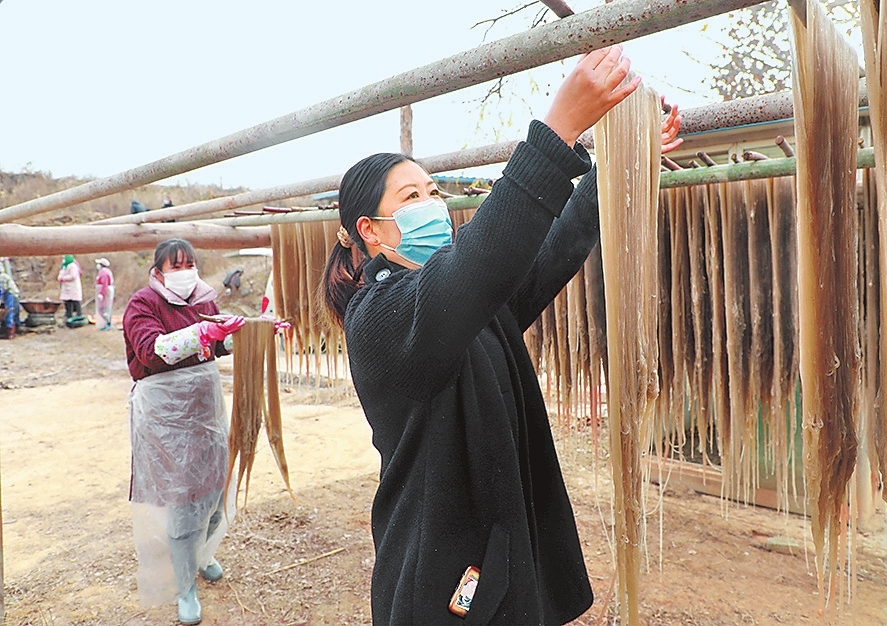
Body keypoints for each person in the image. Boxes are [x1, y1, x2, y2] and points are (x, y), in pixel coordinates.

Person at [321, 45, 680, 624]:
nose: (432, 204)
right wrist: (556, 132)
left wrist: (622, 161)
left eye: (434, 192)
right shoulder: (380, 318)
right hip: (441, 586)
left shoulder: (469, 304)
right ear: (370, 231)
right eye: (410, 197)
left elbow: (550, 248)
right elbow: (482, 259)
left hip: (494, 571)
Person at [122, 238, 245, 625]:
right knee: (182, 502)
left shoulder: (203, 302)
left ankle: (203, 555)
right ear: (157, 272)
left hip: (205, 411)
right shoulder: (143, 304)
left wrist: (251, 332)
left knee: (213, 490)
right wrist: (203, 334)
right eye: (176, 265)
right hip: (166, 419)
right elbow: (150, 350)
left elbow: (215, 347)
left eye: (190, 263)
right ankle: (184, 586)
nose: (185, 271)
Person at [57, 254, 83, 320]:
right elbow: (61, 273)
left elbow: (73, 276)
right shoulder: (64, 266)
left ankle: (79, 314)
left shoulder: (73, 266)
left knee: (75, 300)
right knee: (67, 300)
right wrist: (60, 278)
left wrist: (64, 278)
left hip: (73, 286)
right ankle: (68, 314)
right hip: (66, 286)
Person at [0, 259, 19, 340]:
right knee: (12, 312)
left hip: (10, 294)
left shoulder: (2, 277)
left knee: (9, 312)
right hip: (11, 293)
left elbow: (1, 291)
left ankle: (10, 333)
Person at [94, 257, 115, 330]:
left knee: (104, 309)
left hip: (105, 292)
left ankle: (106, 323)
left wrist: (101, 293)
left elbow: (104, 284)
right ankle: (106, 323)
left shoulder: (104, 272)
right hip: (106, 292)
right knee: (105, 308)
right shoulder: (106, 271)